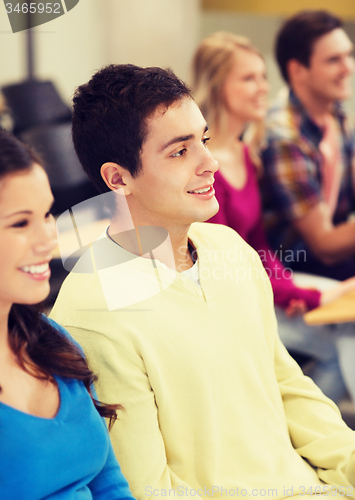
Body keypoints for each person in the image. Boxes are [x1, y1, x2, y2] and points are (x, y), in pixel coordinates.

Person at [50, 64, 355, 500]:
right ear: (118, 178)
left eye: (204, 140)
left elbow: (286, 386)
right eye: (179, 152)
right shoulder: (94, 317)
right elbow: (148, 489)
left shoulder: (228, 248)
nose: (210, 163)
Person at [191, 31, 355, 405]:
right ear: (217, 85)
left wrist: (286, 289)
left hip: (258, 284)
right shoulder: (203, 166)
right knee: (340, 339)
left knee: (346, 327)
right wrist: (307, 294)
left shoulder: (245, 155)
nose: (263, 88)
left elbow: (258, 248)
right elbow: (226, 263)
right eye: (249, 78)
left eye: (264, 77)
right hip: (227, 300)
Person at [0, 129, 134, 500]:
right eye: (20, 223)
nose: (48, 238)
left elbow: (109, 484)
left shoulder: (53, 342)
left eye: (46, 214)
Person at [261, 10, 355, 281]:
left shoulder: (336, 110)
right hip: (297, 265)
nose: (348, 67)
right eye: (334, 60)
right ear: (298, 70)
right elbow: (324, 246)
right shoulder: (284, 136)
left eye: (348, 55)